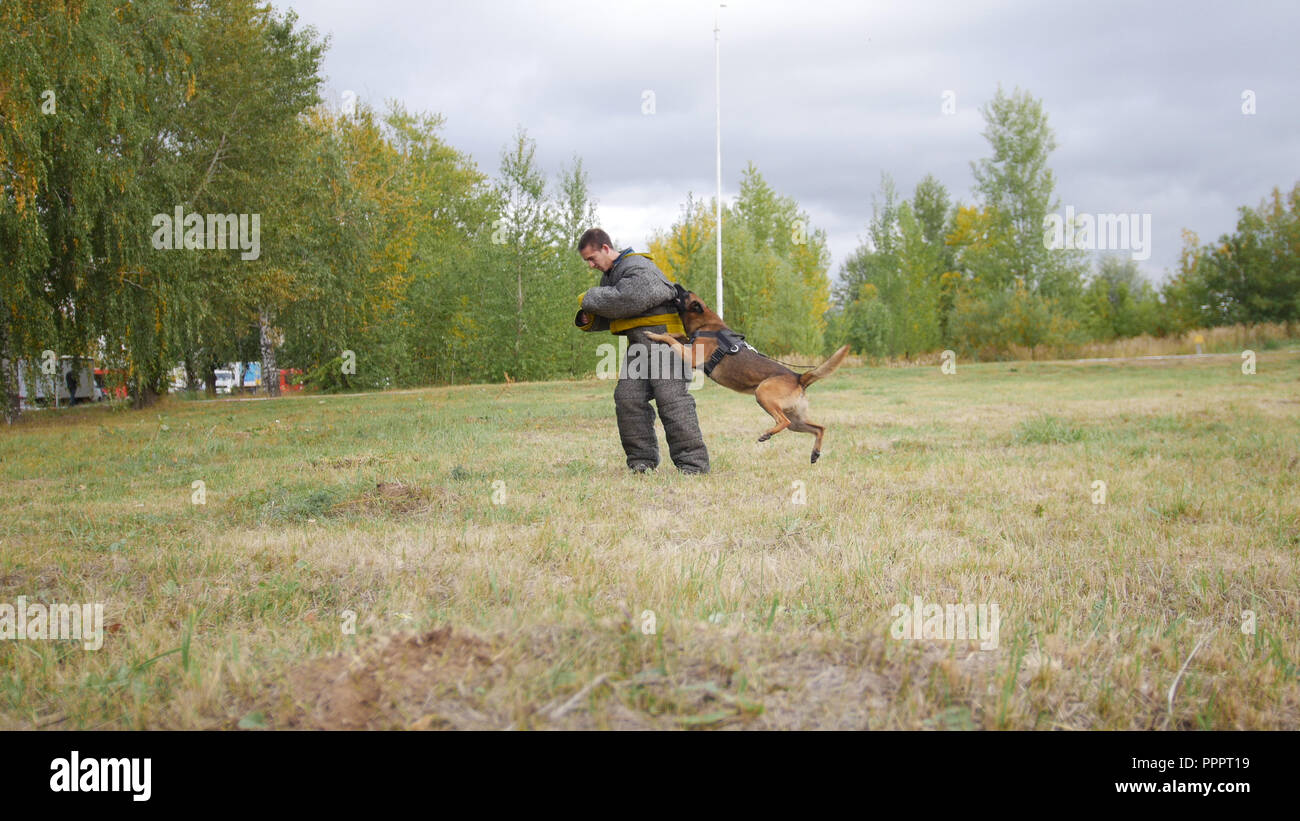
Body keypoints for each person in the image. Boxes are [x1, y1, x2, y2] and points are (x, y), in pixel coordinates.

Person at [574, 227, 709, 475]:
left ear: (606, 248)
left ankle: (693, 465)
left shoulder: (638, 266)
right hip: (639, 348)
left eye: (592, 258)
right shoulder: (613, 275)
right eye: (587, 261)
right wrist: (588, 319)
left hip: (667, 344)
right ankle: (641, 463)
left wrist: (588, 298)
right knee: (627, 399)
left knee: (672, 402)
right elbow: (623, 310)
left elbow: (632, 298)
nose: (591, 265)